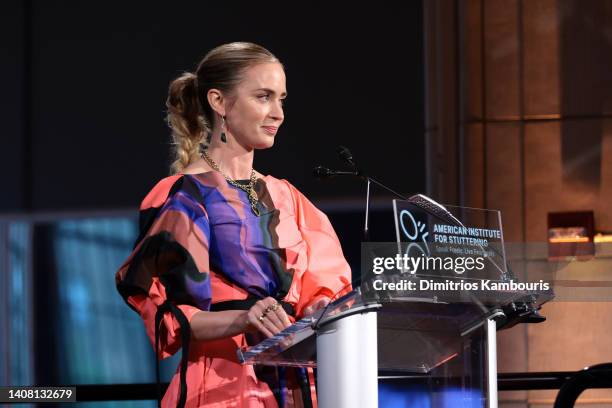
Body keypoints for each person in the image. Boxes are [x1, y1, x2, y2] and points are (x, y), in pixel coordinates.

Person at [115, 42, 352, 408]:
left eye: (281, 99)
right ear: (219, 102)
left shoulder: (288, 197)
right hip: (224, 386)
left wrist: (321, 312)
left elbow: (329, 292)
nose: (278, 113)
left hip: (297, 385)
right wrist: (244, 318)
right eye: (263, 97)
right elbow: (176, 317)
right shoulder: (185, 195)